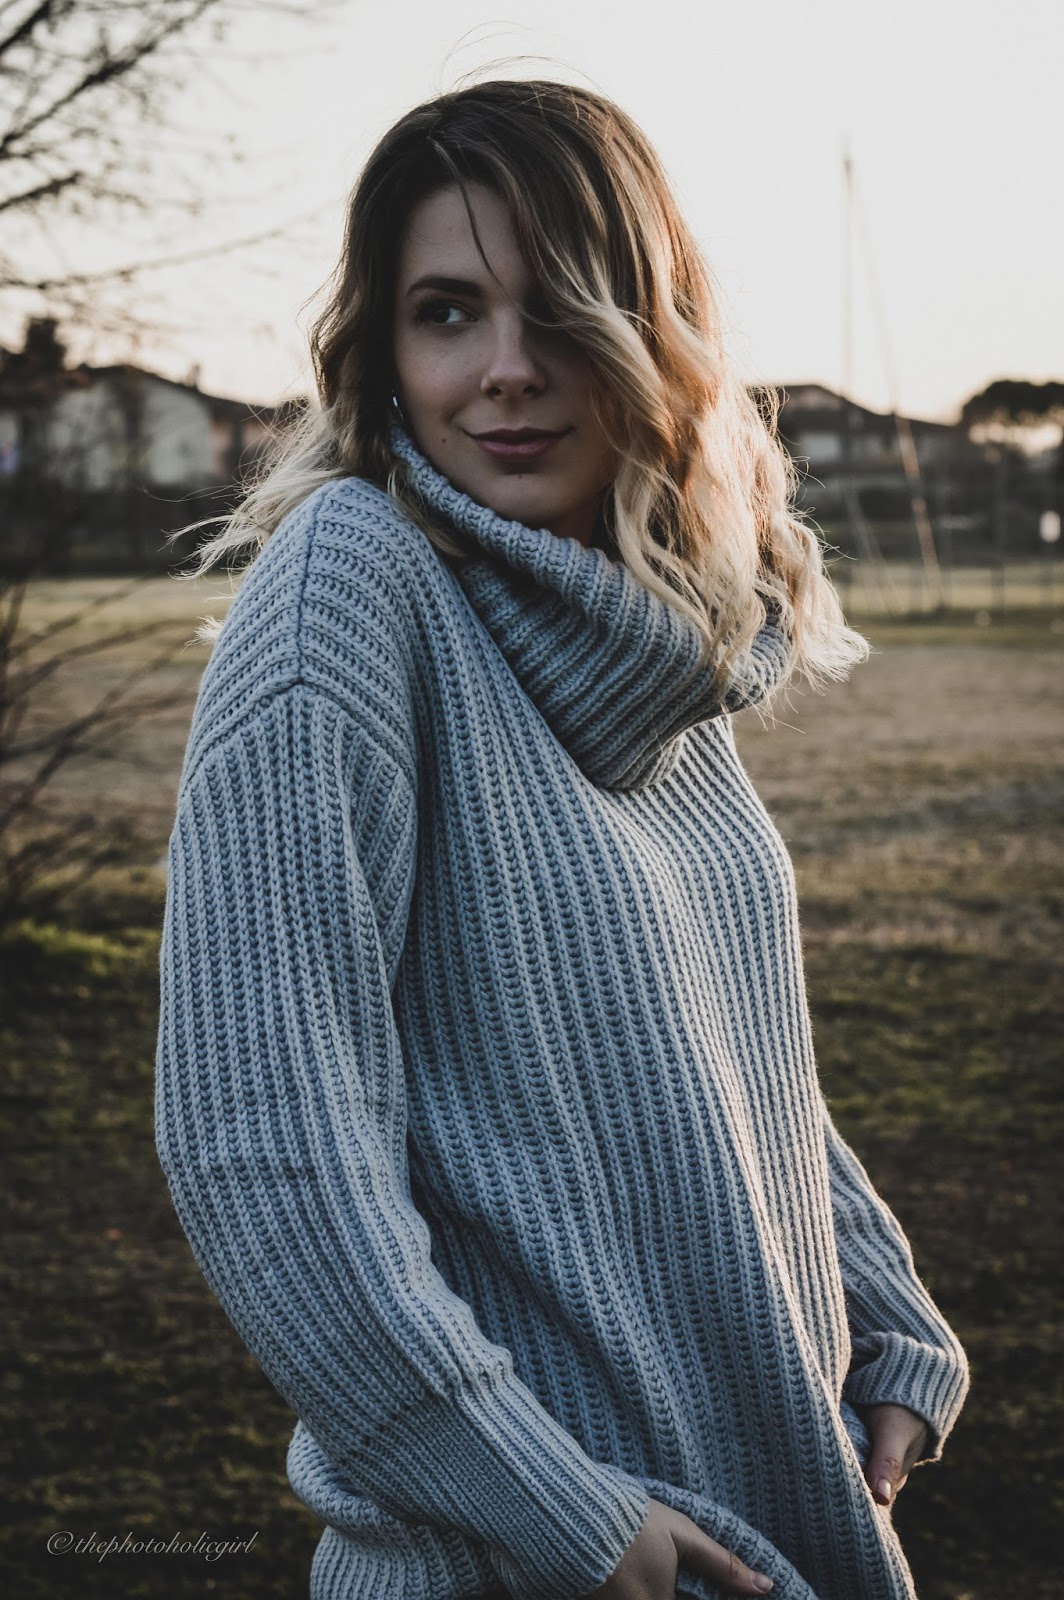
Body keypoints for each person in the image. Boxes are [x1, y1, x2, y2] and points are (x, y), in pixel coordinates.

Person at [154, 79, 969, 1600]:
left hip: (771, 1497)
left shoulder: (647, 637)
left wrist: (882, 1305)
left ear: (655, 335)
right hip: (526, 1554)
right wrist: (561, 1509)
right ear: (383, 352)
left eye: (562, 309)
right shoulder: (347, 589)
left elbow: (712, 1053)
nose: (508, 369)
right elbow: (267, 1144)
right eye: (447, 313)